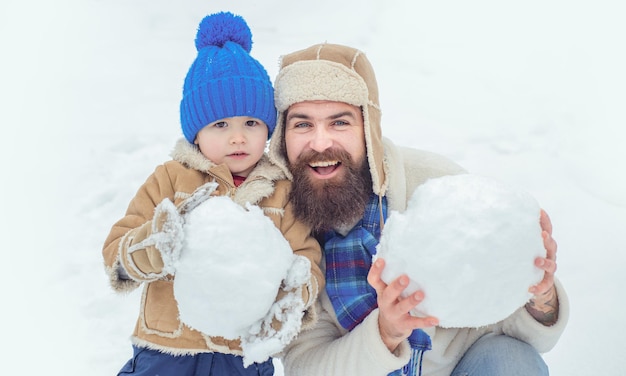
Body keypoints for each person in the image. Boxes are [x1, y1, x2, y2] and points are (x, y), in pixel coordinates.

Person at [267, 43, 569, 375]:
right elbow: (305, 365)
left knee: (511, 361)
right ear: (282, 138)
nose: (321, 143)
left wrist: (537, 295)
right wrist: (386, 332)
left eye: (340, 123)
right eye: (303, 125)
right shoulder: (278, 227)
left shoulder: (433, 183)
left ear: (368, 130)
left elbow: (511, 332)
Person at [102, 12, 323, 376]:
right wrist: (152, 247)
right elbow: (116, 255)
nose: (238, 137)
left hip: (242, 354)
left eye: (251, 123)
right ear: (196, 132)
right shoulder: (170, 180)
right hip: (166, 351)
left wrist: (294, 293)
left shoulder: (280, 190)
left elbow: (305, 257)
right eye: (220, 125)